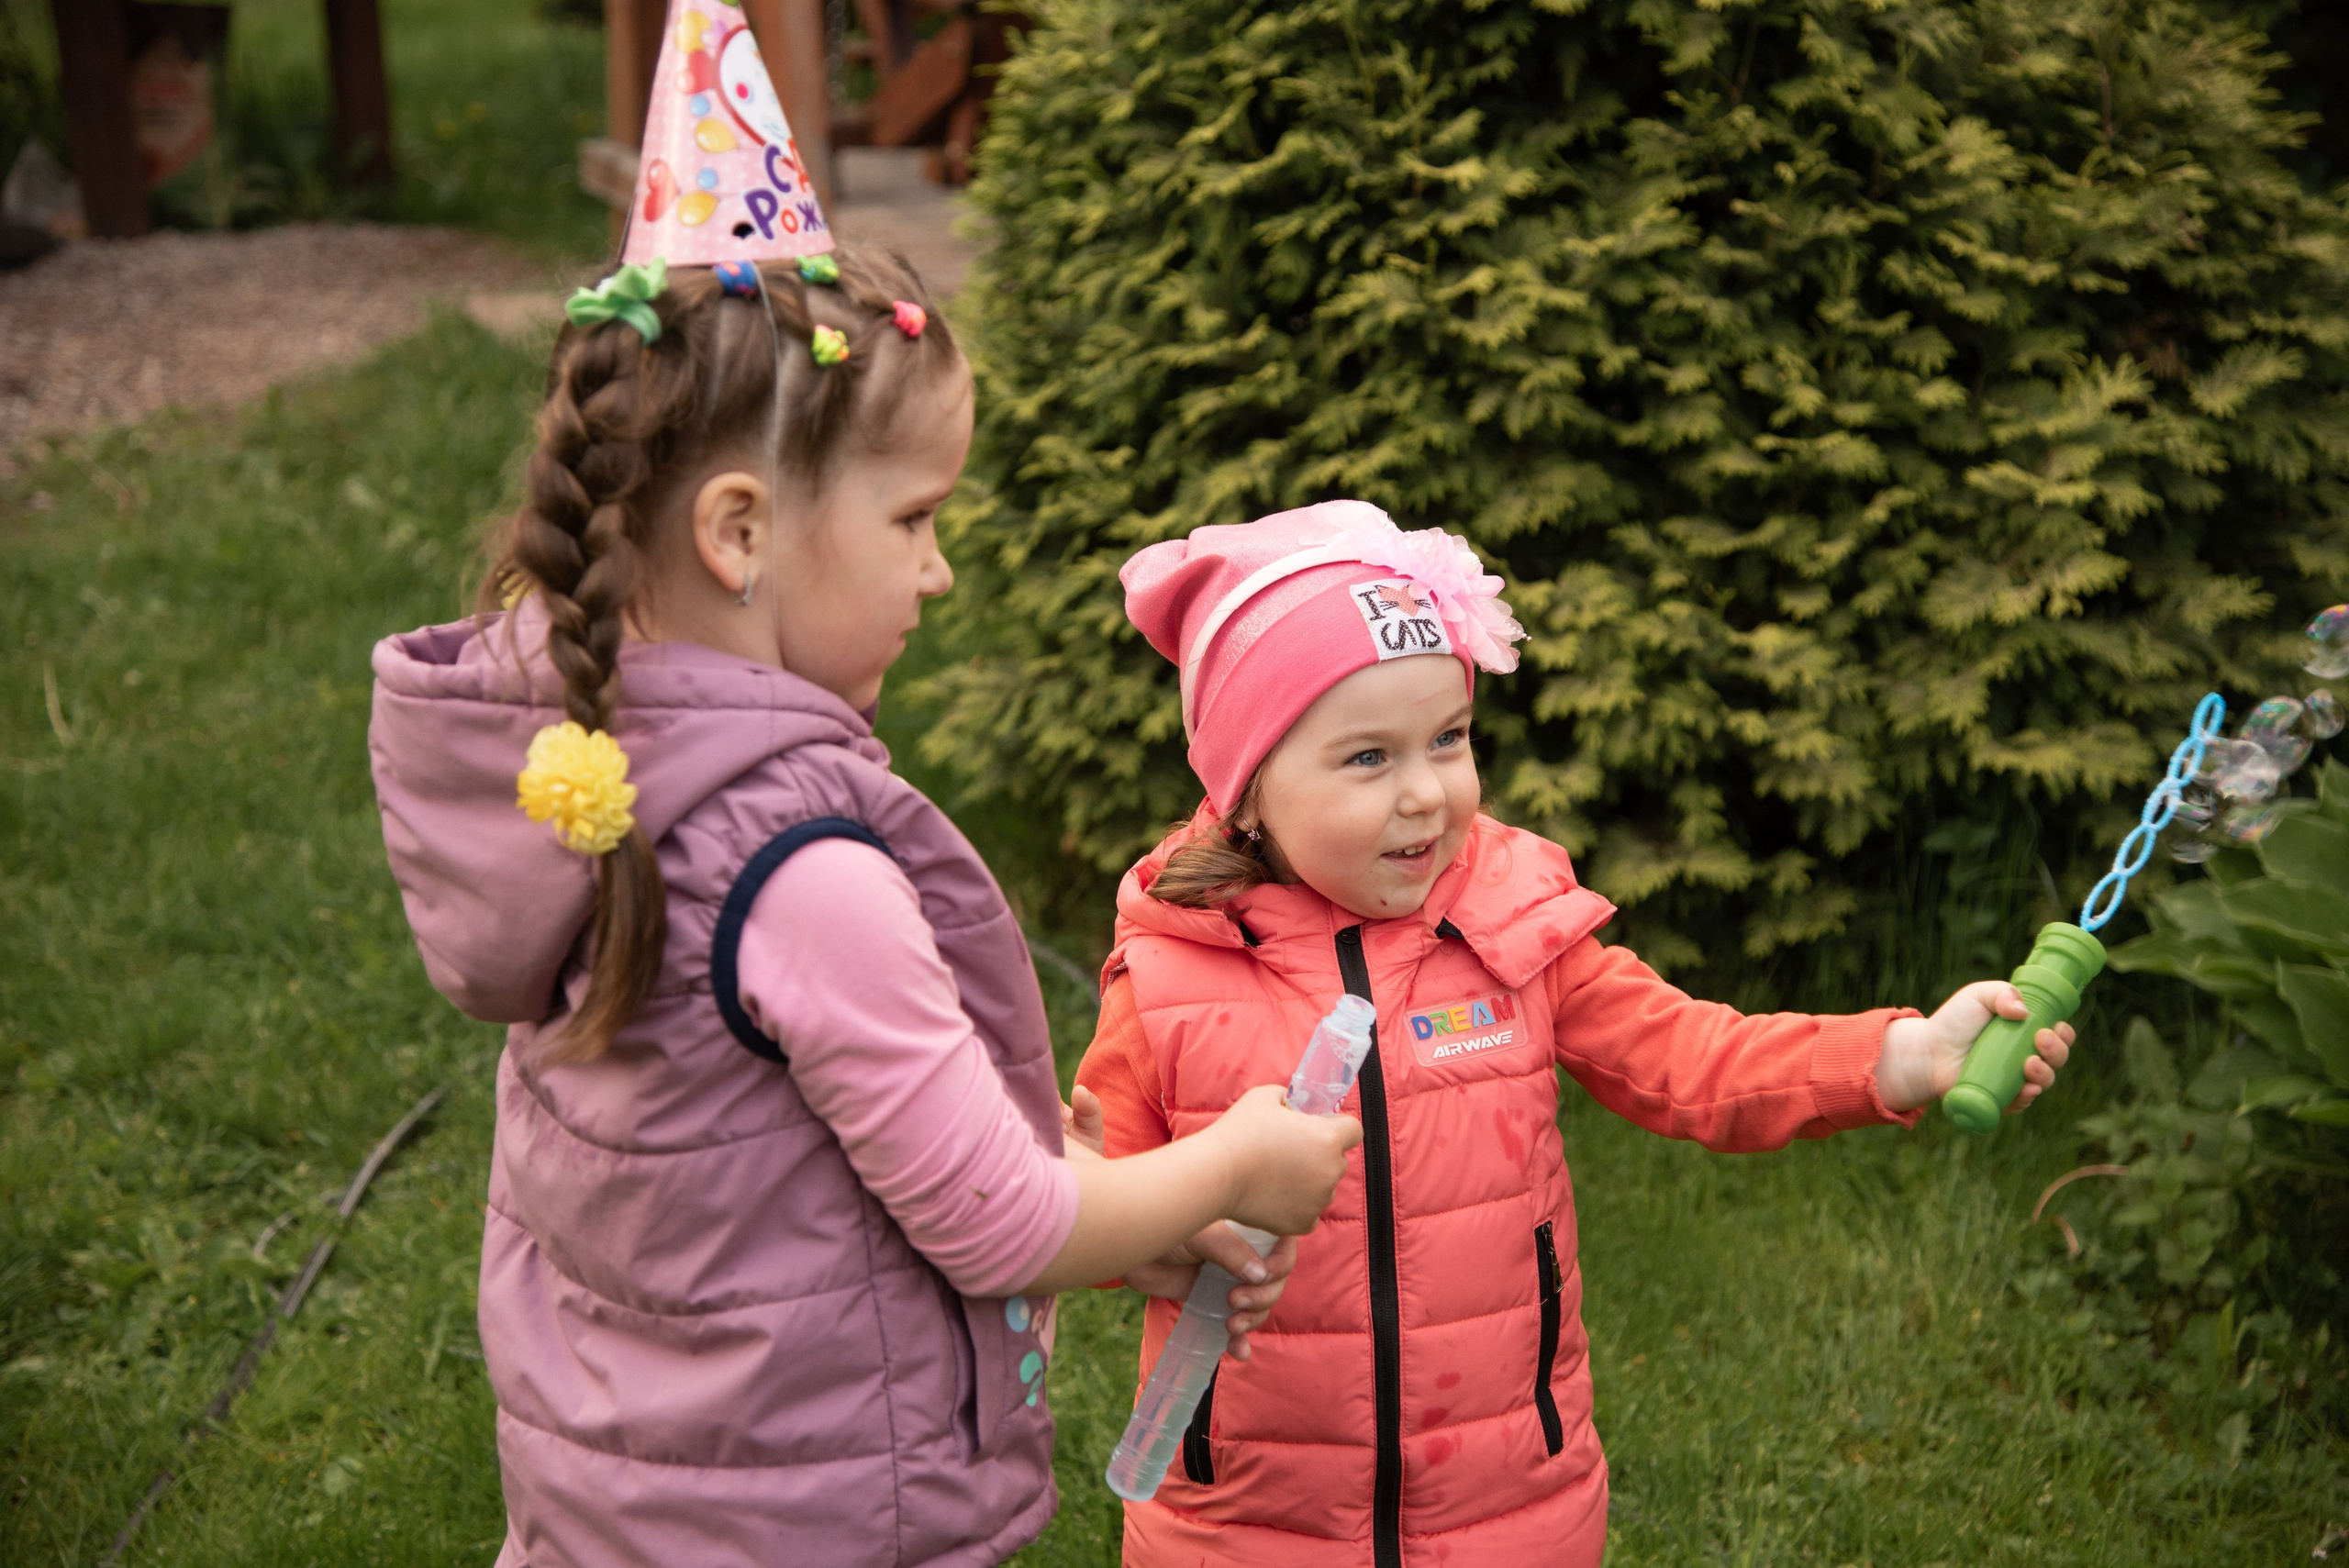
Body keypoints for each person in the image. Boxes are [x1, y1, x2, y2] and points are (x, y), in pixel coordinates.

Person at [365, 247, 1359, 1568]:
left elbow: (797, 1160)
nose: (940, 570)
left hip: (629, 1498)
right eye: (912, 520)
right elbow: (1001, 1218)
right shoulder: (805, 877)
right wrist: (1230, 1163)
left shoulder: (598, 784)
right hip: (814, 1514)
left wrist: (1144, 1207)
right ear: (740, 533)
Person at [1070, 500, 2077, 1568]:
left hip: (1506, 1506)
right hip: (1244, 1521)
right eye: (1367, 758)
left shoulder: (1512, 925)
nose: (1424, 792)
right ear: (1249, 790)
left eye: (1448, 738)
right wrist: (1159, 1230)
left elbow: (1694, 1058)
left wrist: (1895, 1057)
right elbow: (1087, 1199)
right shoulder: (1172, 971)